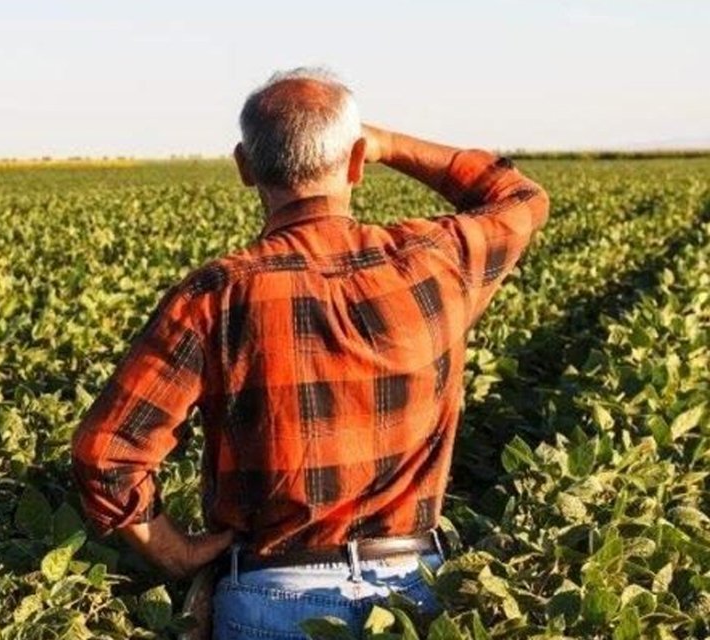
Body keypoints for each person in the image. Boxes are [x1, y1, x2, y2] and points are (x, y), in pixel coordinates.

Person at [70, 67, 550, 637]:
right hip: (410, 592)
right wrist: (389, 145)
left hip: (269, 593)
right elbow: (518, 195)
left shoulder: (216, 294)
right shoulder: (434, 260)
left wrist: (173, 553)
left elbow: (106, 453)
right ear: (355, 163)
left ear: (245, 168)